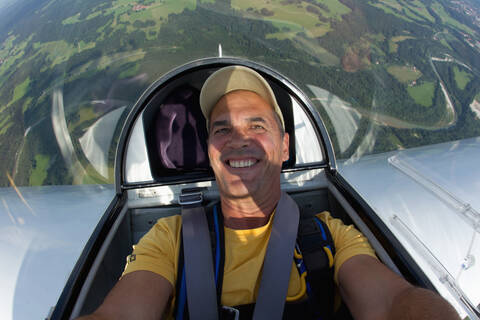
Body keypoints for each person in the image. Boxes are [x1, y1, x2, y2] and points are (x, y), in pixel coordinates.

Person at [78, 66, 460, 320]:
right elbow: (119, 314)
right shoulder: (168, 239)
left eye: (256, 126)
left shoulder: (332, 236)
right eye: (222, 129)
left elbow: (394, 303)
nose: (238, 141)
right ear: (210, 149)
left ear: (285, 147)